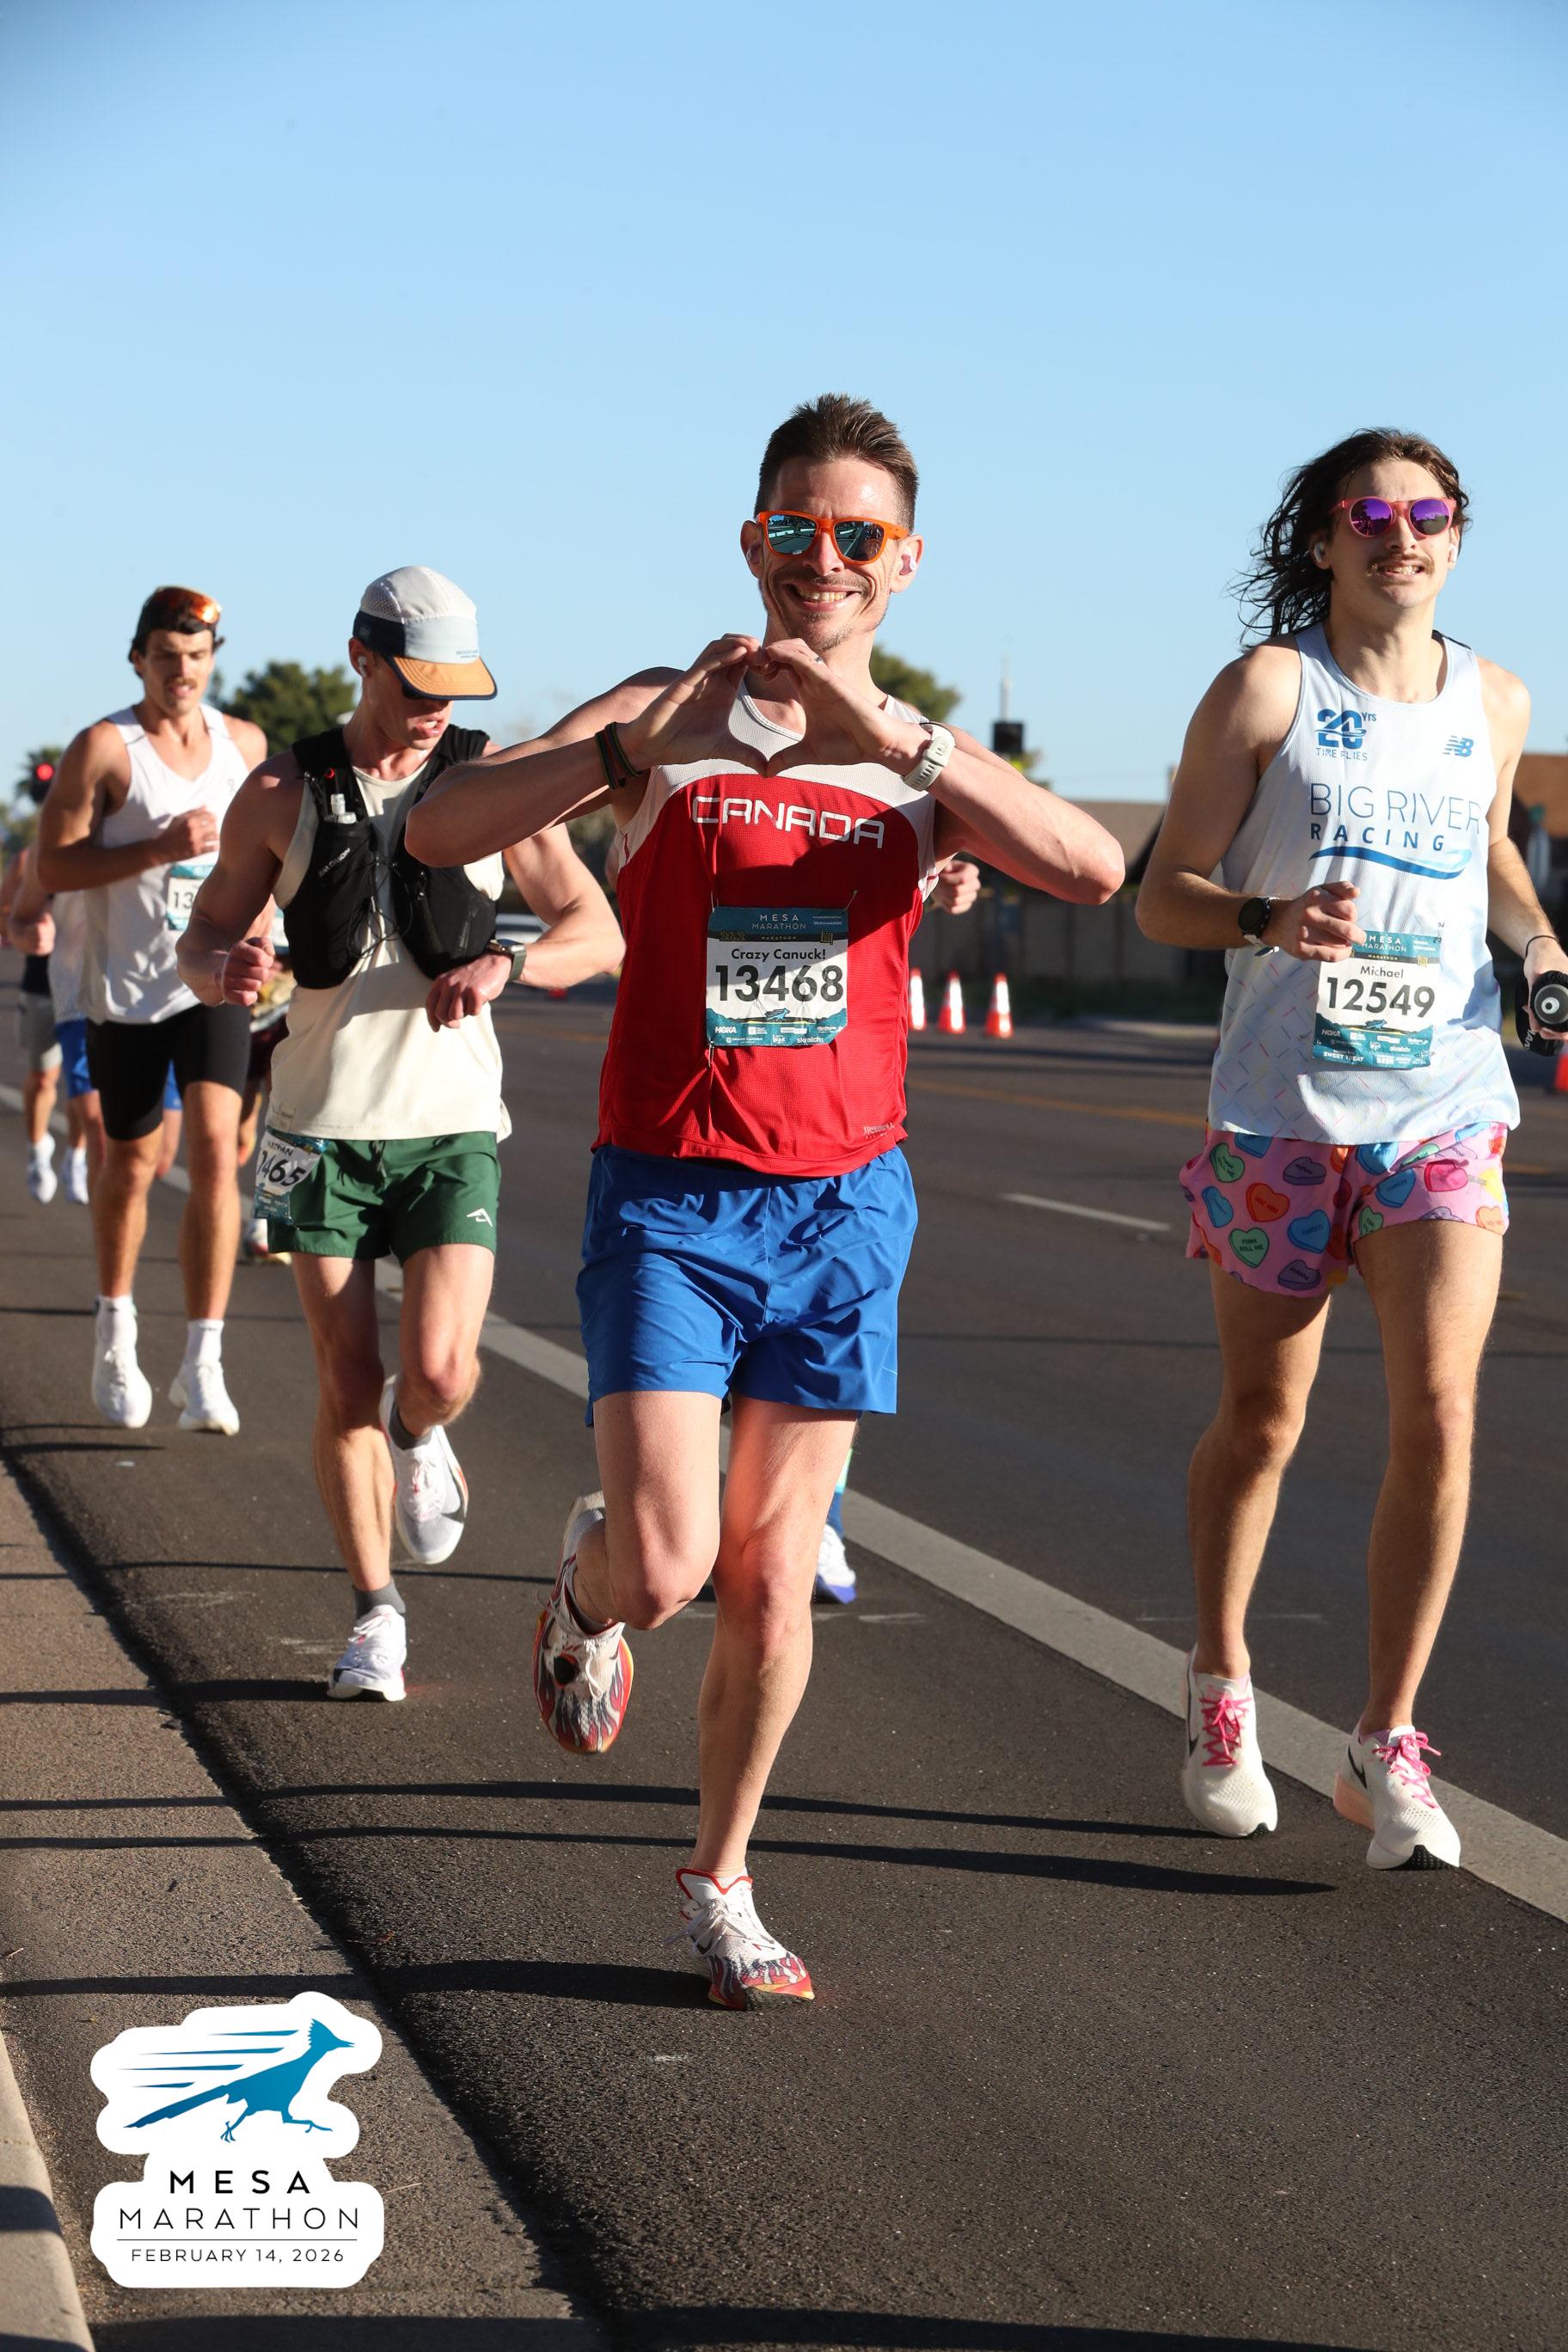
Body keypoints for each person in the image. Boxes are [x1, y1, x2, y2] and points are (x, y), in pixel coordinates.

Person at [408, 395, 1124, 2004]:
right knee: (671, 1567)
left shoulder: (915, 758)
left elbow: (1094, 870)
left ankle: (720, 1883)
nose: (824, 559)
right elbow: (440, 829)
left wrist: (908, 753)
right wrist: (627, 751)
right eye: (796, 528)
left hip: (844, 1206)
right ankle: (589, 1592)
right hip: (673, 1197)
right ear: (752, 542)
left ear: (906, 561)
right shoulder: (671, 710)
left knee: (772, 1574)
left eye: (859, 535)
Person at [1137, 427, 1559, 1872]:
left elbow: (1489, 851)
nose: (1401, 536)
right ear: (1321, 539)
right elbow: (1163, 896)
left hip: (1441, 1105)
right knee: (1264, 1421)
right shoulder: (1269, 688)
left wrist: (1537, 943)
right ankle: (1218, 1679)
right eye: (1369, 516)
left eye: (1427, 513)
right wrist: (1264, 919)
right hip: (1280, 1115)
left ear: (1457, 535)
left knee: (1440, 1408)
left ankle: (1386, 1737)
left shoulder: (1493, 697)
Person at [178, 567, 622, 1703]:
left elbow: (596, 928)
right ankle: (376, 1614)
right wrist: (222, 968)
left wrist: (510, 962)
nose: (438, 708)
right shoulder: (281, 790)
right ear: (361, 659)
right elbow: (205, 933)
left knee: (436, 1371)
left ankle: (421, 1438)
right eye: (419, 684)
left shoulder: (490, 785)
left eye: (454, 688)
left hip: (449, 1127)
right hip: (317, 1128)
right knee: (346, 1381)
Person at [35, 587, 265, 1432]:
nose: (182, 673)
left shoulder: (245, 746)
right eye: (166, 658)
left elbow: (270, 853)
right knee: (130, 1165)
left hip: (211, 984)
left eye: (197, 657)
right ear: (139, 660)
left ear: (213, 660)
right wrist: (158, 848)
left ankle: (203, 1365)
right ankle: (116, 1329)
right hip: (126, 993)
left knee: (214, 1152)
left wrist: (265, 933)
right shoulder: (106, 748)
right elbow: (54, 867)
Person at [812, 848, 982, 1605]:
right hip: (697, 1134)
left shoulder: (890, 782)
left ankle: (818, 1522)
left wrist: (946, 873)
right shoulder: (692, 774)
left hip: (849, 1134)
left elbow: (1089, 867)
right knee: (661, 1555)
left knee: (824, 1371)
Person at [2, 848, 62, 1202]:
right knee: (42, 1077)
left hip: (99, 987)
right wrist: (27, 929)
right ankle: (39, 1149)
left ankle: (79, 1156)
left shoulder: (117, 848)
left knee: (91, 1092)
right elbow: (5, 920)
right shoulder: (29, 860)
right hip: (43, 982)